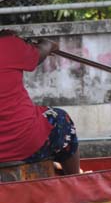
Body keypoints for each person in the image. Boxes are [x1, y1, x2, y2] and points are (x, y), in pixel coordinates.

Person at [0, 30, 80, 175]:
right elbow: (39, 54)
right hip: (22, 143)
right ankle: (74, 179)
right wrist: (47, 44)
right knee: (61, 118)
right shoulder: (9, 43)